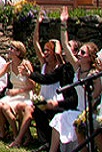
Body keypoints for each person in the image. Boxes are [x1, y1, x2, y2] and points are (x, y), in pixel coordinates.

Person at [48, 7, 102, 152]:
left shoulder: (95, 75)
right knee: (59, 118)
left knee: (78, 125)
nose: (78, 54)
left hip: (89, 112)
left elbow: (96, 98)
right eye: (78, 51)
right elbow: (65, 45)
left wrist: (86, 112)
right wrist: (63, 23)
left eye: (82, 52)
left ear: (90, 57)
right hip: (77, 110)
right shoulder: (78, 68)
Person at [25, 11, 76, 148]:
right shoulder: (49, 66)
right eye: (45, 50)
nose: (45, 52)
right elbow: (35, 42)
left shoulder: (62, 66)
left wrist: (60, 41)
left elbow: (61, 52)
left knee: (50, 113)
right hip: (48, 101)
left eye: (49, 50)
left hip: (60, 102)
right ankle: (47, 141)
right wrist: (37, 23)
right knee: (37, 110)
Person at [0, 41, 34, 147]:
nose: (9, 50)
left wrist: (18, 90)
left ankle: (17, 136)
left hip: (25, 94)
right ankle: (6, 133)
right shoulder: (9, 65)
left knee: (5, 107)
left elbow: (32, 85)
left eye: (12, 48)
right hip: (14, 93)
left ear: (18, 52)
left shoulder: (26, 64)